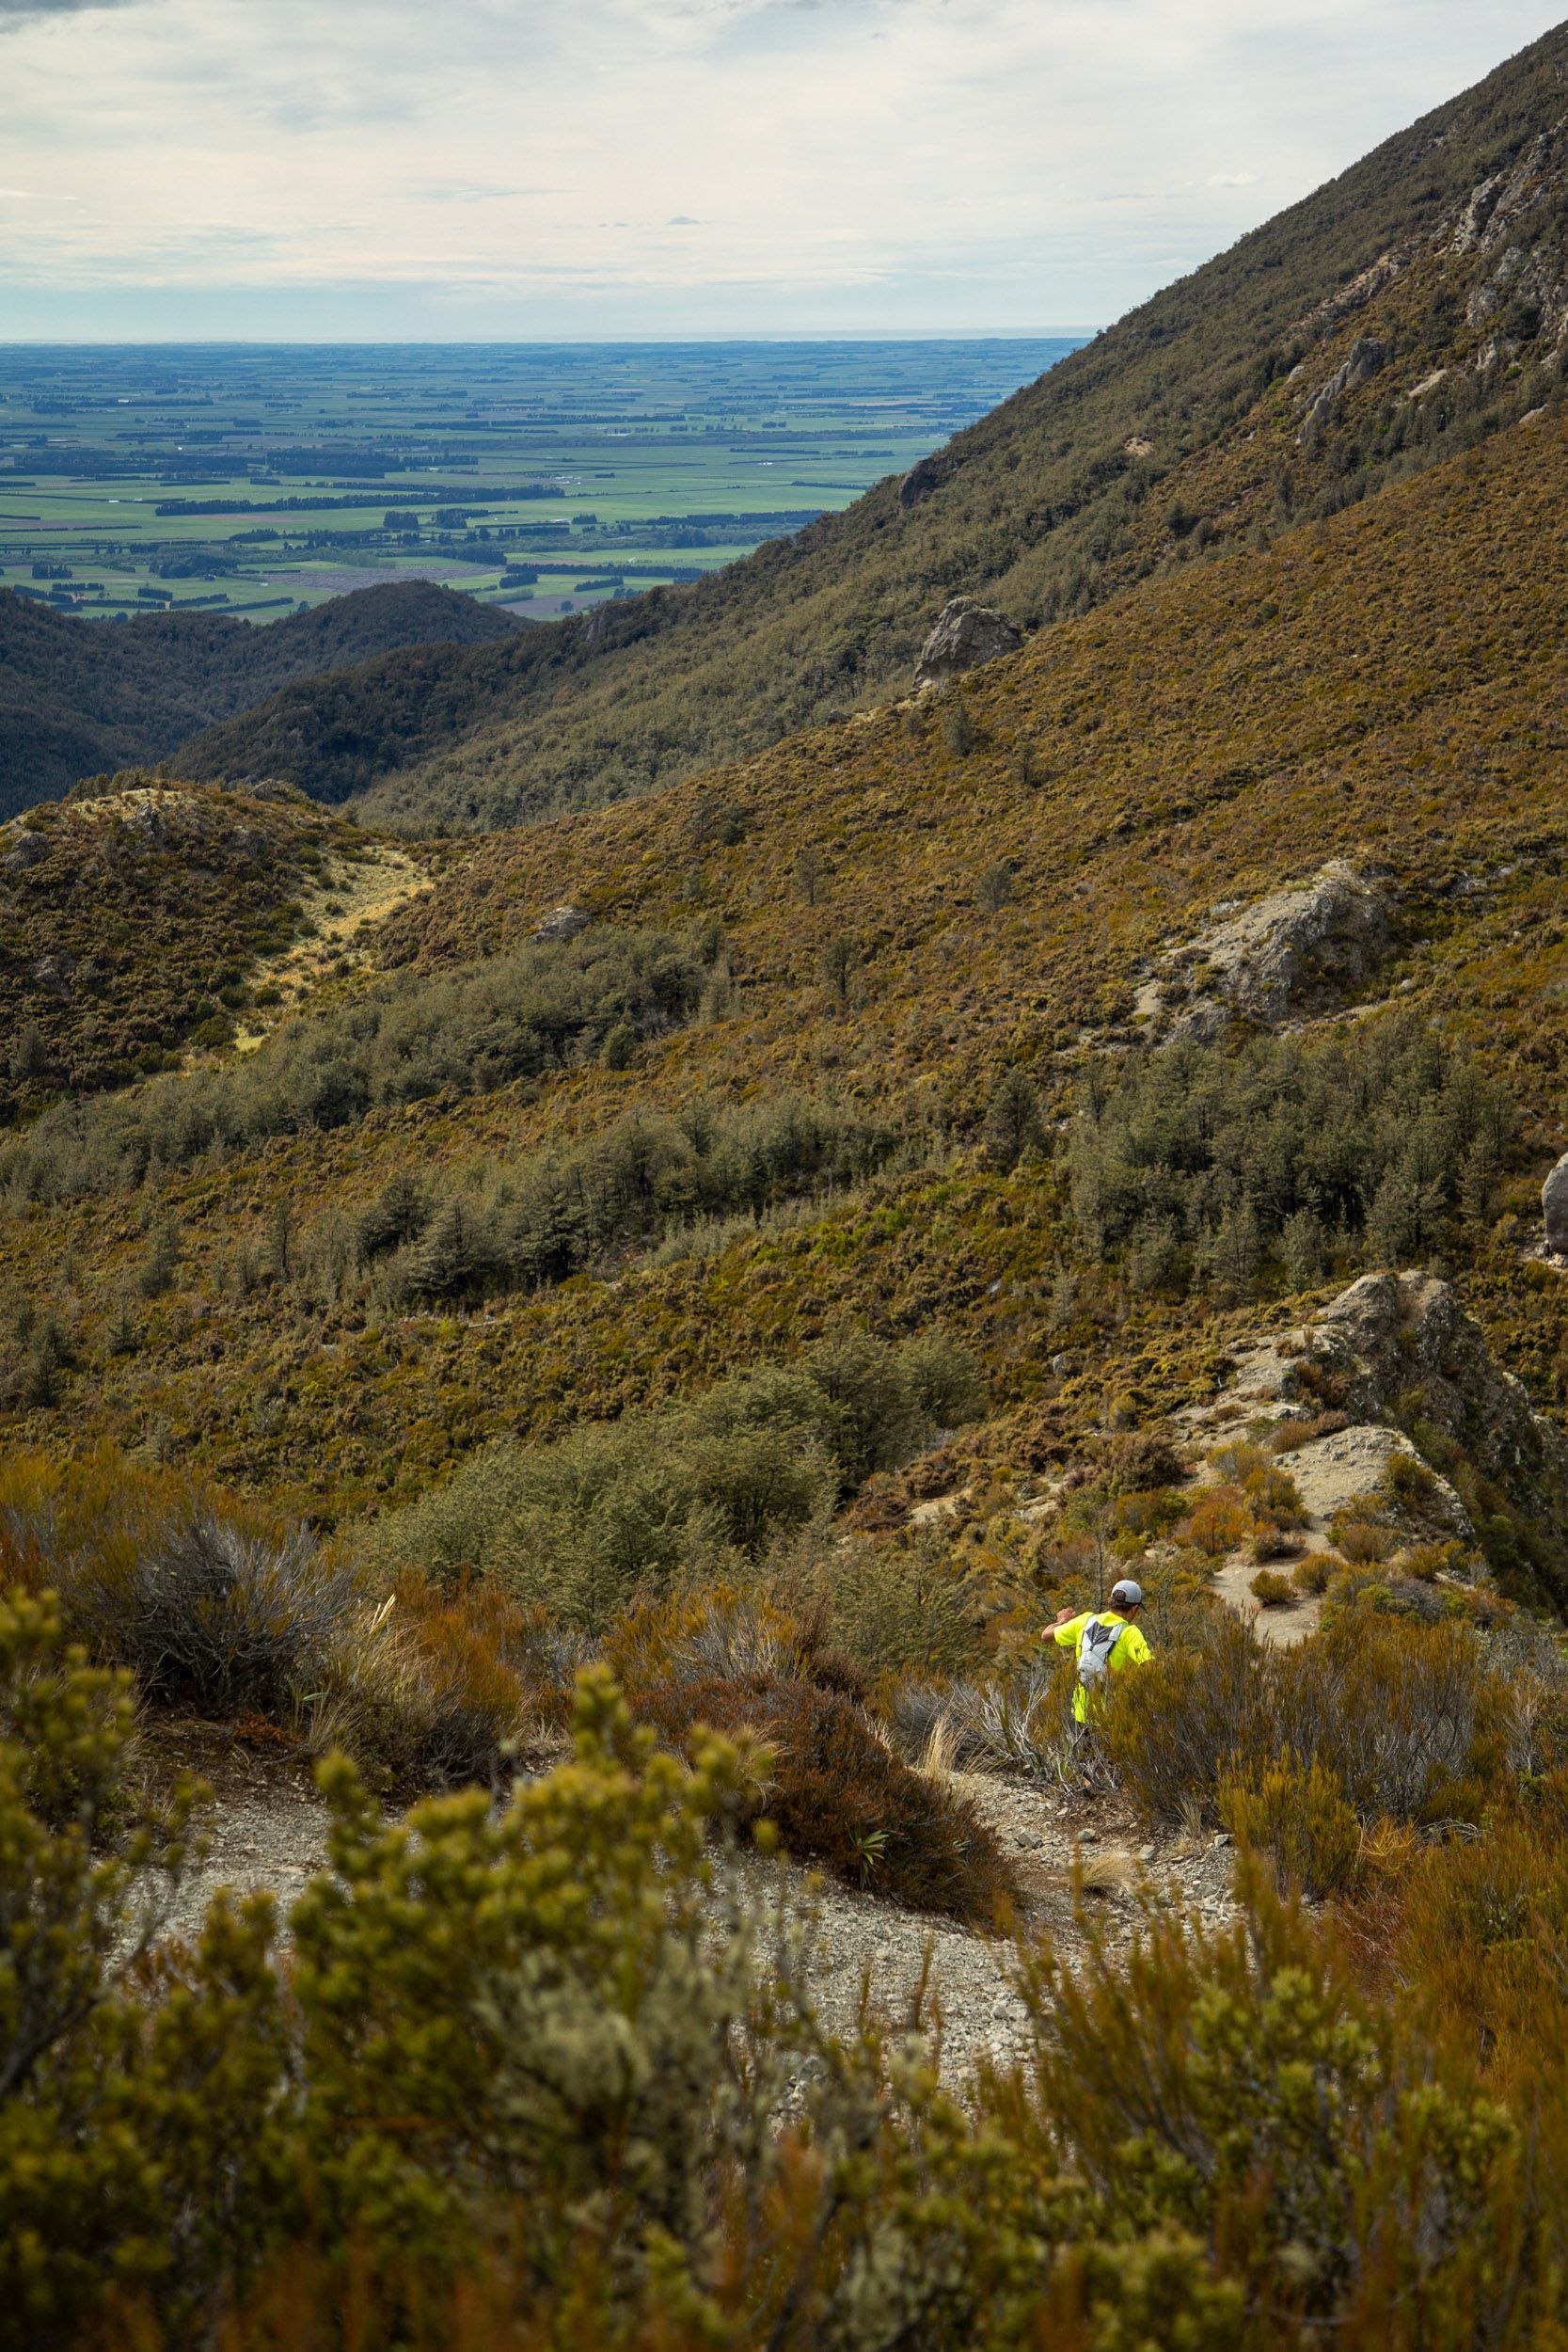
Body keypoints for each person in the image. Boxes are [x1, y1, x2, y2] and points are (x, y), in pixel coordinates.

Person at [1052, 1579, 1151, 1723]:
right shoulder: (1130, 1633)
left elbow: (1045, 1635)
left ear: (1109, 1600)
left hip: (1079, 1716)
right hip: (1110, 1718)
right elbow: (1151, 1667)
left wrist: (1061, 1621)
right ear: (1134, 1609)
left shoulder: (1086, 1620)